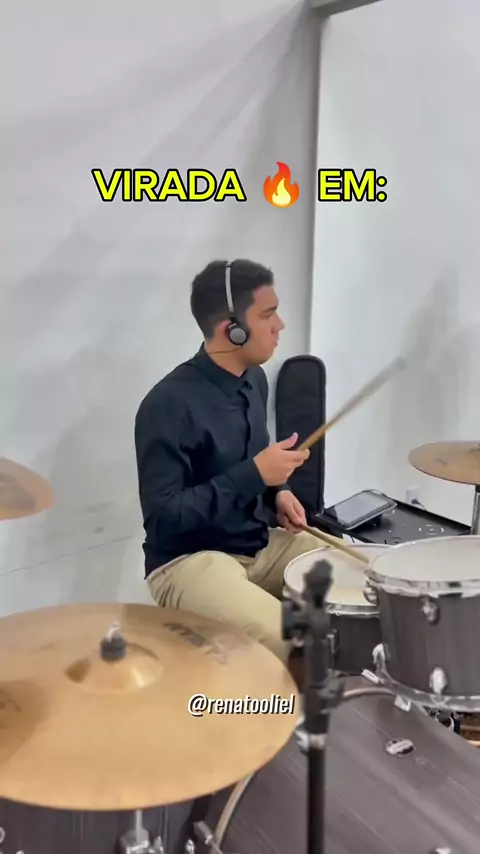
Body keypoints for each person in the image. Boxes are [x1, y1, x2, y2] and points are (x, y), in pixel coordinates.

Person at [134, 258, 328, 667]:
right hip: (188, 561)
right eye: (268, 315)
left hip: (257, 545)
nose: (280, 326)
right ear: (231, 330)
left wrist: (278, 491)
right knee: (301, 641)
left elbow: (253, 457)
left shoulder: (254, 379)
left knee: (368, 582)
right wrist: (255, 475)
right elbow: (164, 518)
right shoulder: (166, 404)